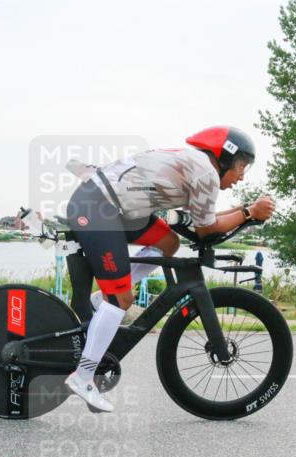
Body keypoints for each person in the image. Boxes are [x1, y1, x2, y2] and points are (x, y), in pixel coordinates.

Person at [63, 126, 276, 412]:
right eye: (241, 167)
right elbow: (206, 231)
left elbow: (201, 221)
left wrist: (244, 210)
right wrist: (249, 213)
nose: (241, 176)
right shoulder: (206, 174)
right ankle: (84, 376)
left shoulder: (198, 167)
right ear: (223, 158)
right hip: (98, 208)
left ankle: (105, 299)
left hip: (113, 207)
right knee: (122, 300)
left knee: (168, 241)